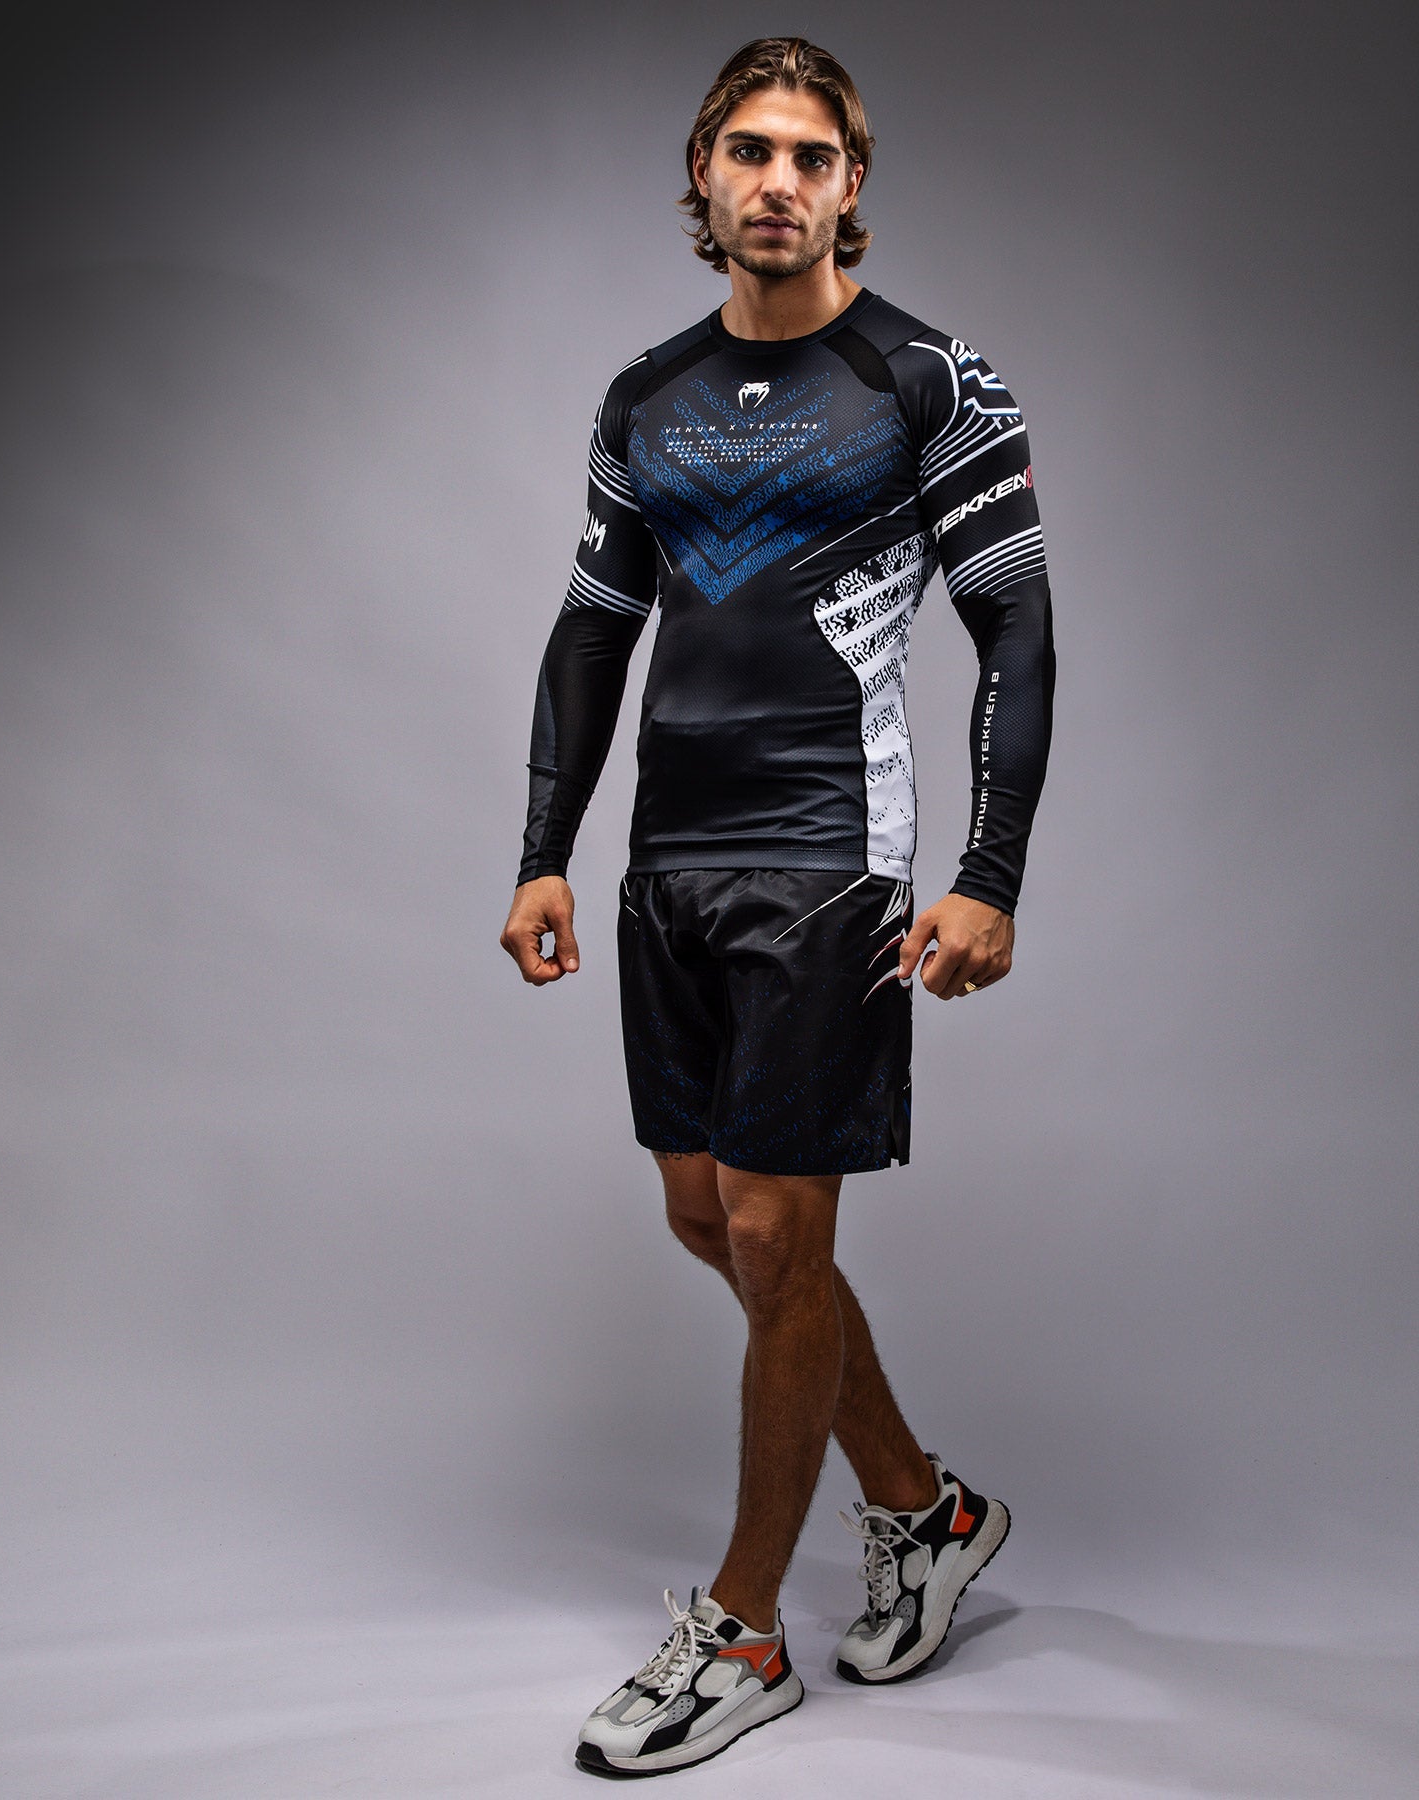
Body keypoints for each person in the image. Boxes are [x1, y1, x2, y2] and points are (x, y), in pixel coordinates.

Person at [499, 36, 1054, 1778]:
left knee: (772, 1235)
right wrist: (542, 846)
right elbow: (596, 626)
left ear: (851, 185)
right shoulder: (644, 394)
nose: (777, 181)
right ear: (703, 171)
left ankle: (741, 1631)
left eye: (811, 156)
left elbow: (1017, 631)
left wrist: (988, 876)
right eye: (748, 149)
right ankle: (924, 1509)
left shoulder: (927, 379)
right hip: (669, 859)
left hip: (832, 857)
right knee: (709, 1218)